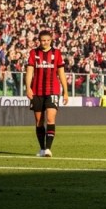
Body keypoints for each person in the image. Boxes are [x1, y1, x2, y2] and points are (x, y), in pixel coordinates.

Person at [25, 29, 69, 157]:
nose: (45, 42)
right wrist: (28, 88)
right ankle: (42, 148)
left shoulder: (57, 53)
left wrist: (66, 91)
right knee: (39, 121)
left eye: (47, 40)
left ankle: (48, 149)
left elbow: (61, 73)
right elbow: (29, 72)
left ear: (51, 40)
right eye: (43, 40)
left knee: (50, 118)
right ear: (39, 40)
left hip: (53, 90)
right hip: (36, 91)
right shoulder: (33, 53)